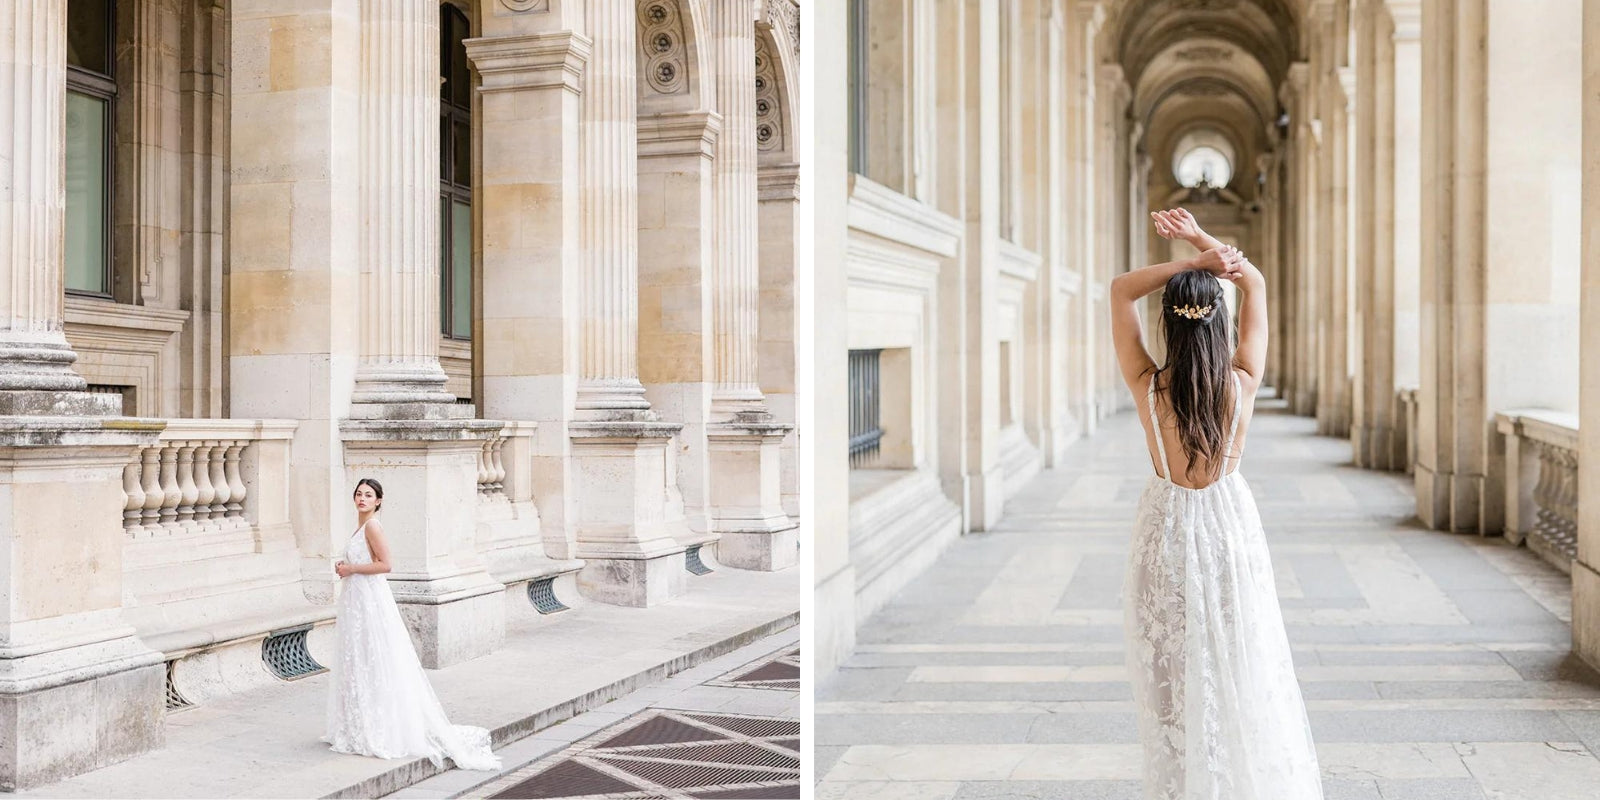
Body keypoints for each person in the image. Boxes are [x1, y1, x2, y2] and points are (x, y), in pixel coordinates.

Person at [1109, 207, 1322, 799]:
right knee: (1238, 665)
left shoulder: (1147, 384)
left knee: (1169, 688)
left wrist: (1193, 263)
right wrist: (1207, 245)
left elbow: (1120, 289)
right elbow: (1252, 280)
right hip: (1228, 530)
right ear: (1219, 326)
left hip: (1165, 529)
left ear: (1169, 328)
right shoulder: (1243, 381)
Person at [322, 477, 501, 772]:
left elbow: (386, 564)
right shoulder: (360, 527)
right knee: (358, 659)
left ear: (379, 500)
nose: (362, 498)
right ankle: (357, 724)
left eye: (368, 495)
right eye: (358, 494)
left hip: (369, 599)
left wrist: (350, 568)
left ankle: (376, 727)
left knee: (374, 658)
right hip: (356, 600)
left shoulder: (373, 527)